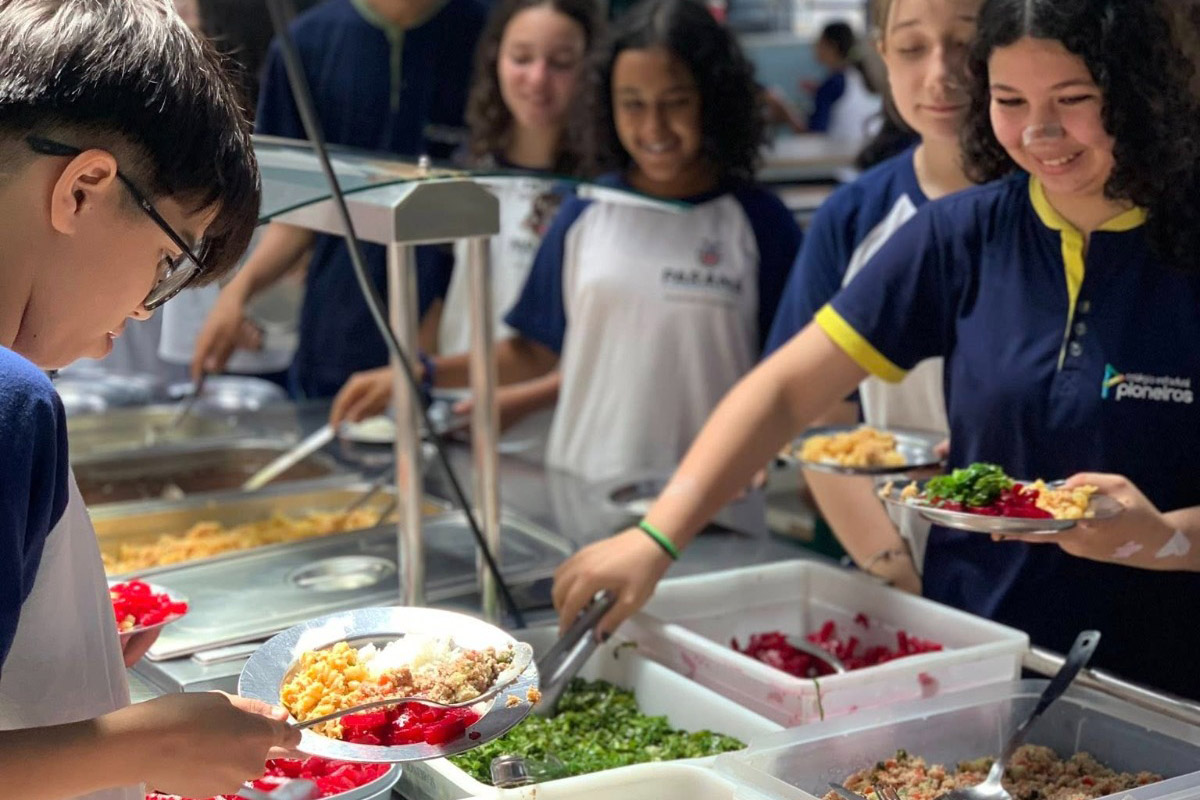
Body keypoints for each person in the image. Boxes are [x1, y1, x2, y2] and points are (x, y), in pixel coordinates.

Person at [553, 0, 1200, 699]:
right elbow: (784, 391)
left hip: (1168, 683)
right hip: (979, 664)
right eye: (1010, 100)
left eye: (1074, 100)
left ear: (1138, 93)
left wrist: (1166, 536)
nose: (1040, 131)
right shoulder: (960, 237)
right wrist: (658, 537)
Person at [0, 2, 301, 798]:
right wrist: (146, 745)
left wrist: (61, 639)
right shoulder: (13, 400)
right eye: (167, 262)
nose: (142, 310)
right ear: (82, 190)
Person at [421, 0, 802, 482]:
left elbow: (793, 377)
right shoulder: (585, 210)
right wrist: (424, 373)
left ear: (713, 97)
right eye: (633, 104)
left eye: (675, 101)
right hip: (582, 484)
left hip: (712, 499)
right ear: (606, 104)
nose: (654, 127)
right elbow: (534, 350)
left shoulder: (760, 223)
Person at [766, 0, 980, 593]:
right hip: (908, 565)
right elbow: (815, 418)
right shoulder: (857, 217)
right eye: (912, 49)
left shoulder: (1065, 213)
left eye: (967, 44)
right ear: (881, 53)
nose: (940, 74)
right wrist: (896, 571)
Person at [328, 0, 602, 439]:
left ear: (591, 68)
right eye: (522, 58)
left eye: (562, 63)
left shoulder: (598, 189)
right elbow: (437, 296)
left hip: (559, 427)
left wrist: (425, 375)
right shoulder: (468, 167)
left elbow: (596, 349)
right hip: (460, 412)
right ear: (495, 59)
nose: (538, 79)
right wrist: (411, 383)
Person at [191, 0, 489, 399]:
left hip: (464, 346)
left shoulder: (493, 39)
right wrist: (236, 295)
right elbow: (300, 216)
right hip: (337, 335)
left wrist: (434, 330)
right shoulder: (305, 46)